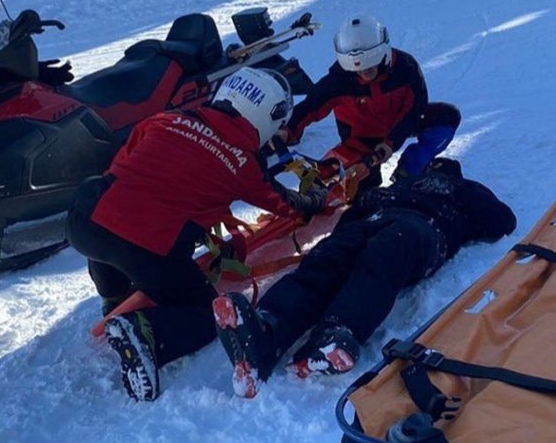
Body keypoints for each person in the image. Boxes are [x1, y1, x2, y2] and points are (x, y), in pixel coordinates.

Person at [66, 68, 328, 402]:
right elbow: (283, 204)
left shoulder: (165, 119)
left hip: (84, 222)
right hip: (143, 246)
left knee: (112, 213)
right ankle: (146, 332)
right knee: (205, 315)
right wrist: (315, 199)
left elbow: (122, 167)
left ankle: (114, 298)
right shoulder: (241, 162)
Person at [213, 157, 516, 398]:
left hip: (423, 227)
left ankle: (337, 332)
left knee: (381, 260)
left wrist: (463, 210)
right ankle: (266, 331)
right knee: (325, 261)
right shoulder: (402, 186)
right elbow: (358, 208)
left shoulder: (461, 189)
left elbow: (502, 220)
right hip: (374, 221)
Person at [278, 14, 461, 196]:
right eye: (358, 71)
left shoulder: (406, 69)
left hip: (397, 127)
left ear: (384, 56)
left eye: (370, 68)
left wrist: (391, 143)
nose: (364, 74)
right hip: (360, 140)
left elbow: (414, 111)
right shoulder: (340, 79)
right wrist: (287, 131)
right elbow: (310, 106)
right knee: (355, 191)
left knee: (447, 117)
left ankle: (408, 172)